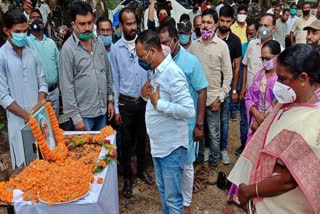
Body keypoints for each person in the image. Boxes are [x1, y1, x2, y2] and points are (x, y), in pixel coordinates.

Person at [228, 44, 320, 214]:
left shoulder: (313, 121)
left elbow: (288, 180)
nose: (277, 84)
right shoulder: (287, 104)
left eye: (283, 79)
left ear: (303, 79)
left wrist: (250, 191)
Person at [136, 30, 195, 214]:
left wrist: (158, 103)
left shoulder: (173, 73)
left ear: (153, 51)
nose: (141, 60)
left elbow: (188, 110)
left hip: (172, 147)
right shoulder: (157, 70)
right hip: (159, 145)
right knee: (164, 193)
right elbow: (156, 100)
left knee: (173, 199)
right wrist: (145, 96)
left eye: (142, 56)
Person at [157, 18, 208, 214]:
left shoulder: (190, 61)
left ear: (176, 40)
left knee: (186, 164)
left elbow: (202, 91)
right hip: (166, 121)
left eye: (166, 43)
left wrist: (199, 125)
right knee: (169, 162)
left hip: (186, 124)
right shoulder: (160, 61)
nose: (163, 47)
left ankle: (185, 202)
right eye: (159, 43)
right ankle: (171, 198)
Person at [228, 39, 281, 206]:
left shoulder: (282, 79)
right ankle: (241, 193)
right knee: (249, 159)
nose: (265, 62)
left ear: (277, 57)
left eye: (268, 58)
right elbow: (249, 96)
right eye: (263, 58)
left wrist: (263, 120)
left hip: (271, 129)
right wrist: (255, 113)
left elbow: (281, 104)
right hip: (255, 125)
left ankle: (258, 197)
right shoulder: (259, 75)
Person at [110, 8, 152, 198]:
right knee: (126, 143)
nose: (133, 27)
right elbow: (114, 80)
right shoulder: (115, 49)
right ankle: (127, 178)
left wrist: (151, 99)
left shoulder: (143, 45)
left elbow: (151, 72)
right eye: (129, 23)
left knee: (142, 138)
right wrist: (117, 108)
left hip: (143, 102)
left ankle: (142, 169)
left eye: (134, 23)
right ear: (121, 26)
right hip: (126, 103)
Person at [0, 9, 47, 168]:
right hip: (18, 123)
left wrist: (38, 109)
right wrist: (27, 116)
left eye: (24, 31)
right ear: (6, 31)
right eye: (17, 31)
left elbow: (42, 83)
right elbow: (3, 97)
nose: (22, 35)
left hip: (38, 119)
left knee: (43, 160)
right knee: (23, 167)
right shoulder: (2, 57)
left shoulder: (33, 54)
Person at [190, 8, 232, 184]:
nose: (205, 26)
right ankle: (199, 162)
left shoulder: (222, 46)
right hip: (196, 100)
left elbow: (228, 74)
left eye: (209, 23)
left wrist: (220, 98)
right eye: (203, 23)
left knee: (214, 135)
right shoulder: (194, 45)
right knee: (198, 132)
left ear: (215, 25)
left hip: (214, 99)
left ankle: (213, 166)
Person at [59, 1, 114, 131]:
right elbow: (66, 87)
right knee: (87, 150)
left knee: (103, 149)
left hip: (102, 111)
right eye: (82, 24)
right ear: (73, 24)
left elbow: (107, 73)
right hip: (84, 117)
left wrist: (110, 100)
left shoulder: (98, 42)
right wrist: (76, 118)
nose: (88, 27)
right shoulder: (68, 50)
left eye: (90, 22)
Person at [216, 5, 242, 165]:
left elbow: (237, 66)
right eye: (222, 20)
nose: (224, 24)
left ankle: (223, 148)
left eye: (227, 21)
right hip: (210, 86)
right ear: (218, 19)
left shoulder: (235, 41)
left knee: (224, 120)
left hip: (225, 88)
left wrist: (233, 89)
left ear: (232, 21)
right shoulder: (210, 36)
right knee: (209, 120)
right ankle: (208, 147)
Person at [240, 14, 278, 103]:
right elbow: (245, 66)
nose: (262, 28)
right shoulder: (251, 44)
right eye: (261, 25)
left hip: (267, 96)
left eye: (266, 26)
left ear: (273, 28)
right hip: (249, 92)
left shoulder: (279, 49)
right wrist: (243, 87)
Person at [235, 19, 259, 156]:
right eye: (247, 34)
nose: (250, 36)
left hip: (264, 94)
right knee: (244, 120)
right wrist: (242, 87)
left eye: (252, 33)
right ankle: (244, 146)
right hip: (248, 90)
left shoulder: (277, 48)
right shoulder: (248, 46)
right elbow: (244, 67)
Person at [27, 19, 59, 116]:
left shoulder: (51, 42)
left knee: (55, 123)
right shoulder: (27, 42)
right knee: (41, 122)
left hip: (54, 90)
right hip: (38, 93)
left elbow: (58, 65)